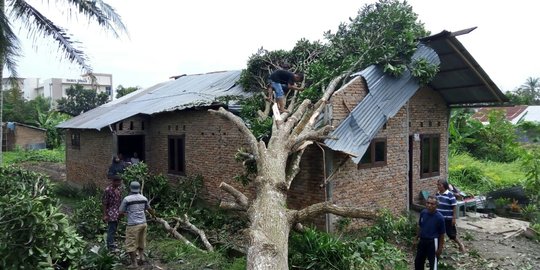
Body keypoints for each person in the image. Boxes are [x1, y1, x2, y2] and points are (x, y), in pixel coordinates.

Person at [119, 181, 156, 268]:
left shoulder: (127, 199)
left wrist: (119, 218)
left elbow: (121, 211)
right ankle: (141, 257)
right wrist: (154, 216)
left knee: (130, 244)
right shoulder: (143, 198)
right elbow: (149, 209)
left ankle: (134, 264)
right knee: (141, 241)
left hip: (133, 225)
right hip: (143, 223)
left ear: (130, 188)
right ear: (139, 189)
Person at [414, 195, 446, 270]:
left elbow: (442, 234)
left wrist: (440, 248)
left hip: (433, 243)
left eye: (432, 204)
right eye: (428, 203)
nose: (429, 205)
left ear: (436, 205)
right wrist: (416, 238)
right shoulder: (423, 213)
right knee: (418, 261)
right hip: (422, 241)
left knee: (433, 264)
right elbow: (421, 226)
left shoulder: (440, 218)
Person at [436, 180, 466, 252]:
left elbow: (454, 206)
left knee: (451, 234)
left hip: (448, 218)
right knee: (438, 233)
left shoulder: (450, 194)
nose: (438, 186)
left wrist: (453, 218)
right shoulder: (437, 194)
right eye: (437, 185)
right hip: (439, 218)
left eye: (439, 185)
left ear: (444, 186)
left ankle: (460, 244)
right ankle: (439, 248)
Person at [101, 175, 123, 250]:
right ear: (113, 181)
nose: (119, 183)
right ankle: (110, 246)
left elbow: (120, 201)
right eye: (118, 182)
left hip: (117, 212)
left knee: (114, 228)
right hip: (111, 212)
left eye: (120, 182)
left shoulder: (119, 190)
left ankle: (112, 243)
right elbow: (104, 203)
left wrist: (121, 212)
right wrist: (104, 215)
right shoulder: (108, 190)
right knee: (111, 229)